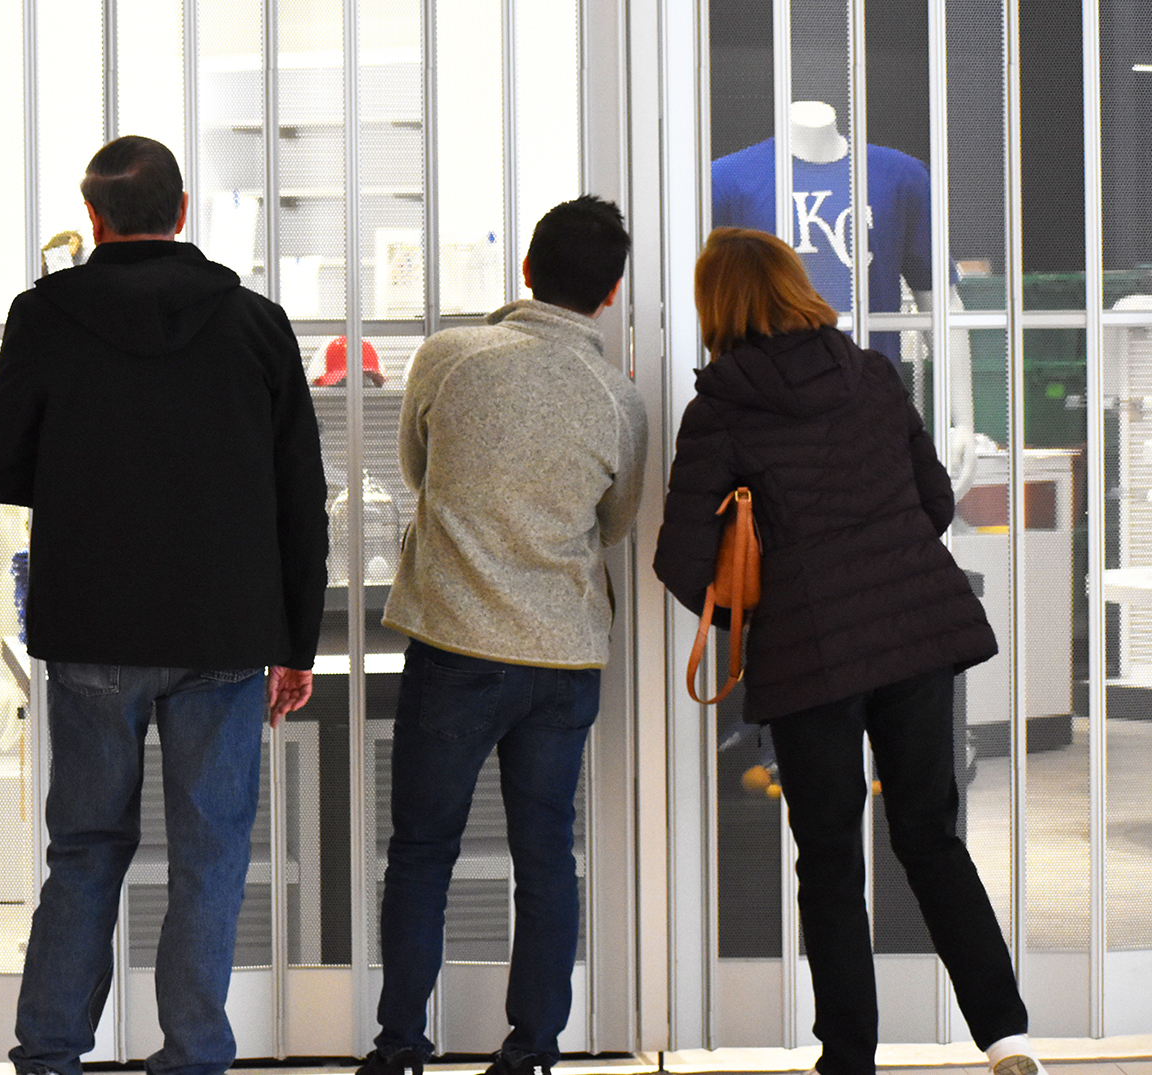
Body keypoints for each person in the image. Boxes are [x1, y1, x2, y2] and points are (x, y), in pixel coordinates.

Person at [0, 135, 329, 1075]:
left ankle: (48, 1055)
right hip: (226, 629)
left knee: (85, 847)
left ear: (94, 220)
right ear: (184, 209)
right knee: (211, 855)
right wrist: (297, 641)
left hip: (93, 629)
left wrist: (84, 467)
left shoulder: (46, 315)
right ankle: (195, 1053)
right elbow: (300, 492)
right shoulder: (255, 323)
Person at [652, 227, 1044, 1075]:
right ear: (796, 287)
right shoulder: (870, 374)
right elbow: (933, 499)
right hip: (915, 634)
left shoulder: (718, 407)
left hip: (811, 660)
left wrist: (772, 614)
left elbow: (683, 562)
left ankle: (849, 1061)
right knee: (932, 838)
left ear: (715, 305)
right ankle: (1007, 1038)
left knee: (829, 858)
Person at [360, 195, 648, 1075]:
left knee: (421, 849)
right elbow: (615, 524)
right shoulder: (621, 398)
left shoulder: (450, 357)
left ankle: (403, 1043)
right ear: (610, 294)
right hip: (562, 657)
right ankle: (532, 1047)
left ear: (526, 269)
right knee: (545, 852)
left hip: (454, 644)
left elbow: (417, 469)